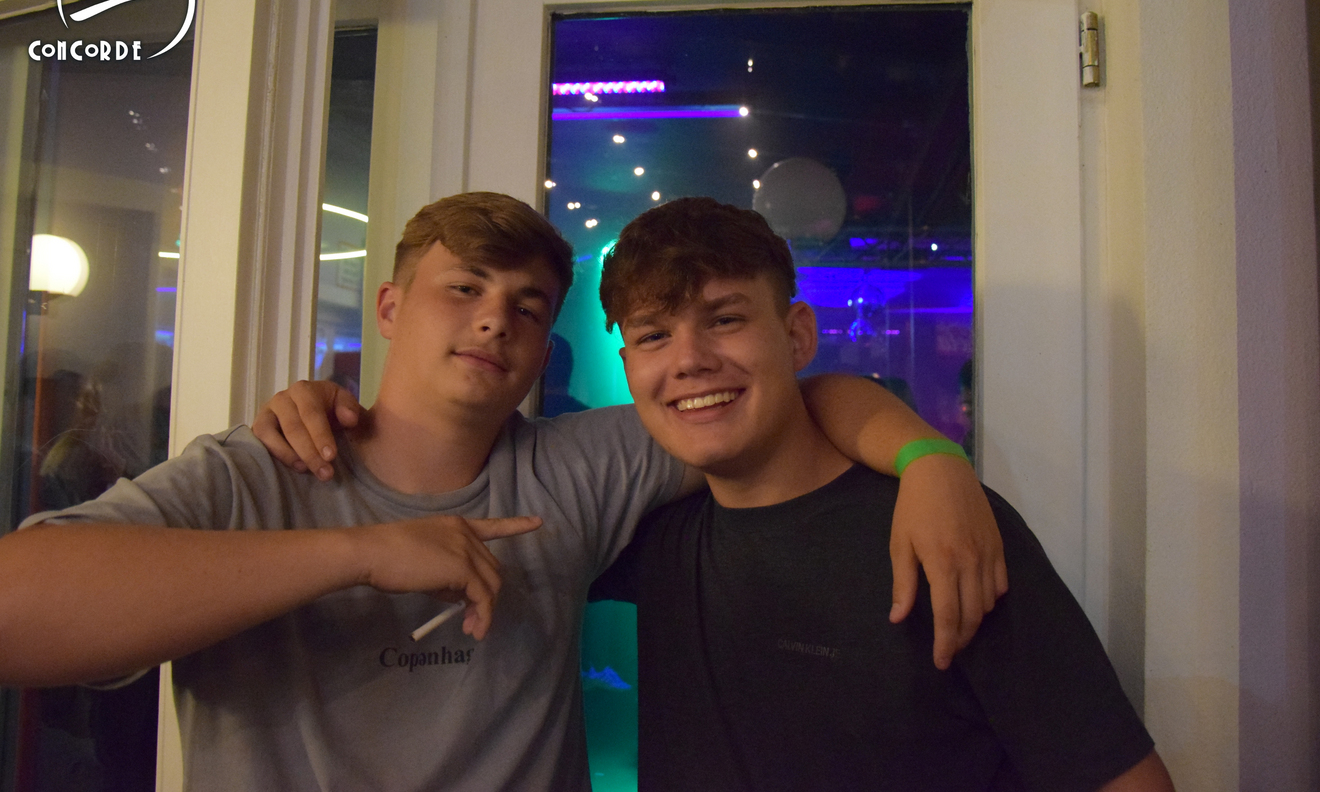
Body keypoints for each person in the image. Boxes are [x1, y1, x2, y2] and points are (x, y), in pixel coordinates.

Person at [0, 192, 1003, 790]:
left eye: (527, 306)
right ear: (389, 307)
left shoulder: (580, 467)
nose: (494, 320)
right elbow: (17, 613)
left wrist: (931, 462)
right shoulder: (252, 473)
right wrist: (358, 553)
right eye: (465, 288)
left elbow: (784, 398)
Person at [586, 197, 1174, 791]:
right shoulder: (650, 537)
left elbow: (1125, 781)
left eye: (725, 320)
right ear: (628, 366)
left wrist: (929, 460)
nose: (689, 360)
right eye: (655, 335)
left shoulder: (940, 528)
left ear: (797, 336)